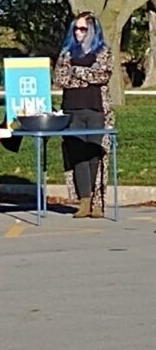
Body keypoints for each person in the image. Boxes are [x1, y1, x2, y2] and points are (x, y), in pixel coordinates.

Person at [54, 11, 114, 219]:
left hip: (96, 109)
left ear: (92, 31)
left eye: (83, 29)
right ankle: (84, 200)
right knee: (78, 155)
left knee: (95, 155)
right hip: (72, 109)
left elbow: (102, 75)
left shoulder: (103, 51)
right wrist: (83, 75)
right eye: (76, 29)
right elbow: (60, 78)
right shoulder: (66, 52)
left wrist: (76, 71)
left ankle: (98, 202)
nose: (79, 33)